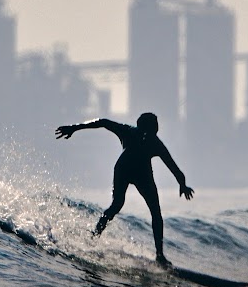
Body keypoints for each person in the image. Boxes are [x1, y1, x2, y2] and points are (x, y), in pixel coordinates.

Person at [55, 112, 194, 267]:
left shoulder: (154, 142)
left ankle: (159, 255)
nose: (153, 130)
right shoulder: (130, 131)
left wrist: (182, 184)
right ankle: (94, 237)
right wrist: (75, 127)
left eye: (155, 126)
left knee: (155, 212)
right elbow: (103, 122)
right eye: (152, 126)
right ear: (143, 126)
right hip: (124, 170)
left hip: (142, 174)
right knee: (118, 204)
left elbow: (172, 165)